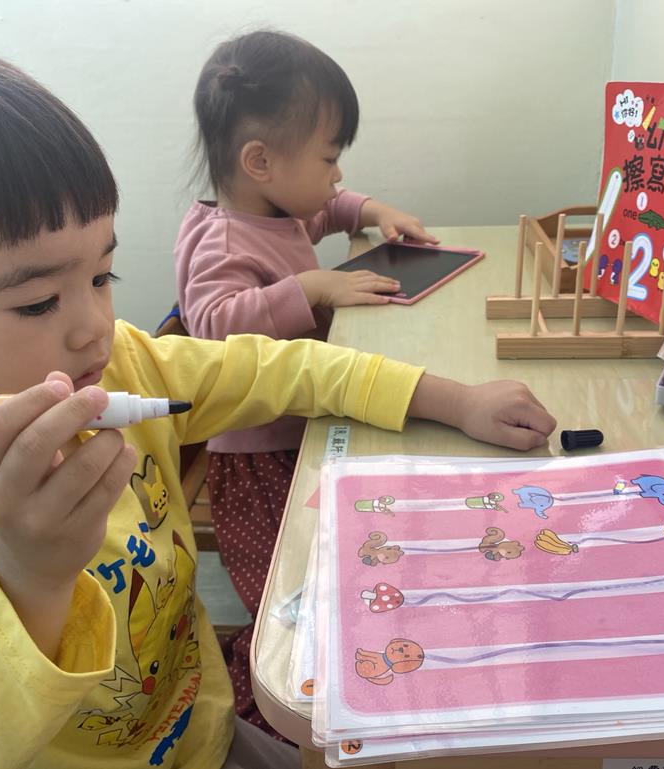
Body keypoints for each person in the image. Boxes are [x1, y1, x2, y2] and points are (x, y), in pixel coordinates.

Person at [0, 31, 557, 768]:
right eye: (38, 302)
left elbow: (279, 368)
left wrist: (452, 400)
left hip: (210, 733)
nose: (95, 327)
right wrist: (26, 578)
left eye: (103, 277)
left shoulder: (126, 363)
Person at [174, 30, 445, 733]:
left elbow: (331, 208)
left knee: (335, 558)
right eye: (328, 157)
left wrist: (374, 211)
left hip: (301, 429)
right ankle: (267, 696)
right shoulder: (222, 240)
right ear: (260, 161)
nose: (335, 173)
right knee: (285, 592)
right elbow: (213, 327)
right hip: (255, 458)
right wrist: (312, 288)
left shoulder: (277, 209)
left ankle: (341, 656)